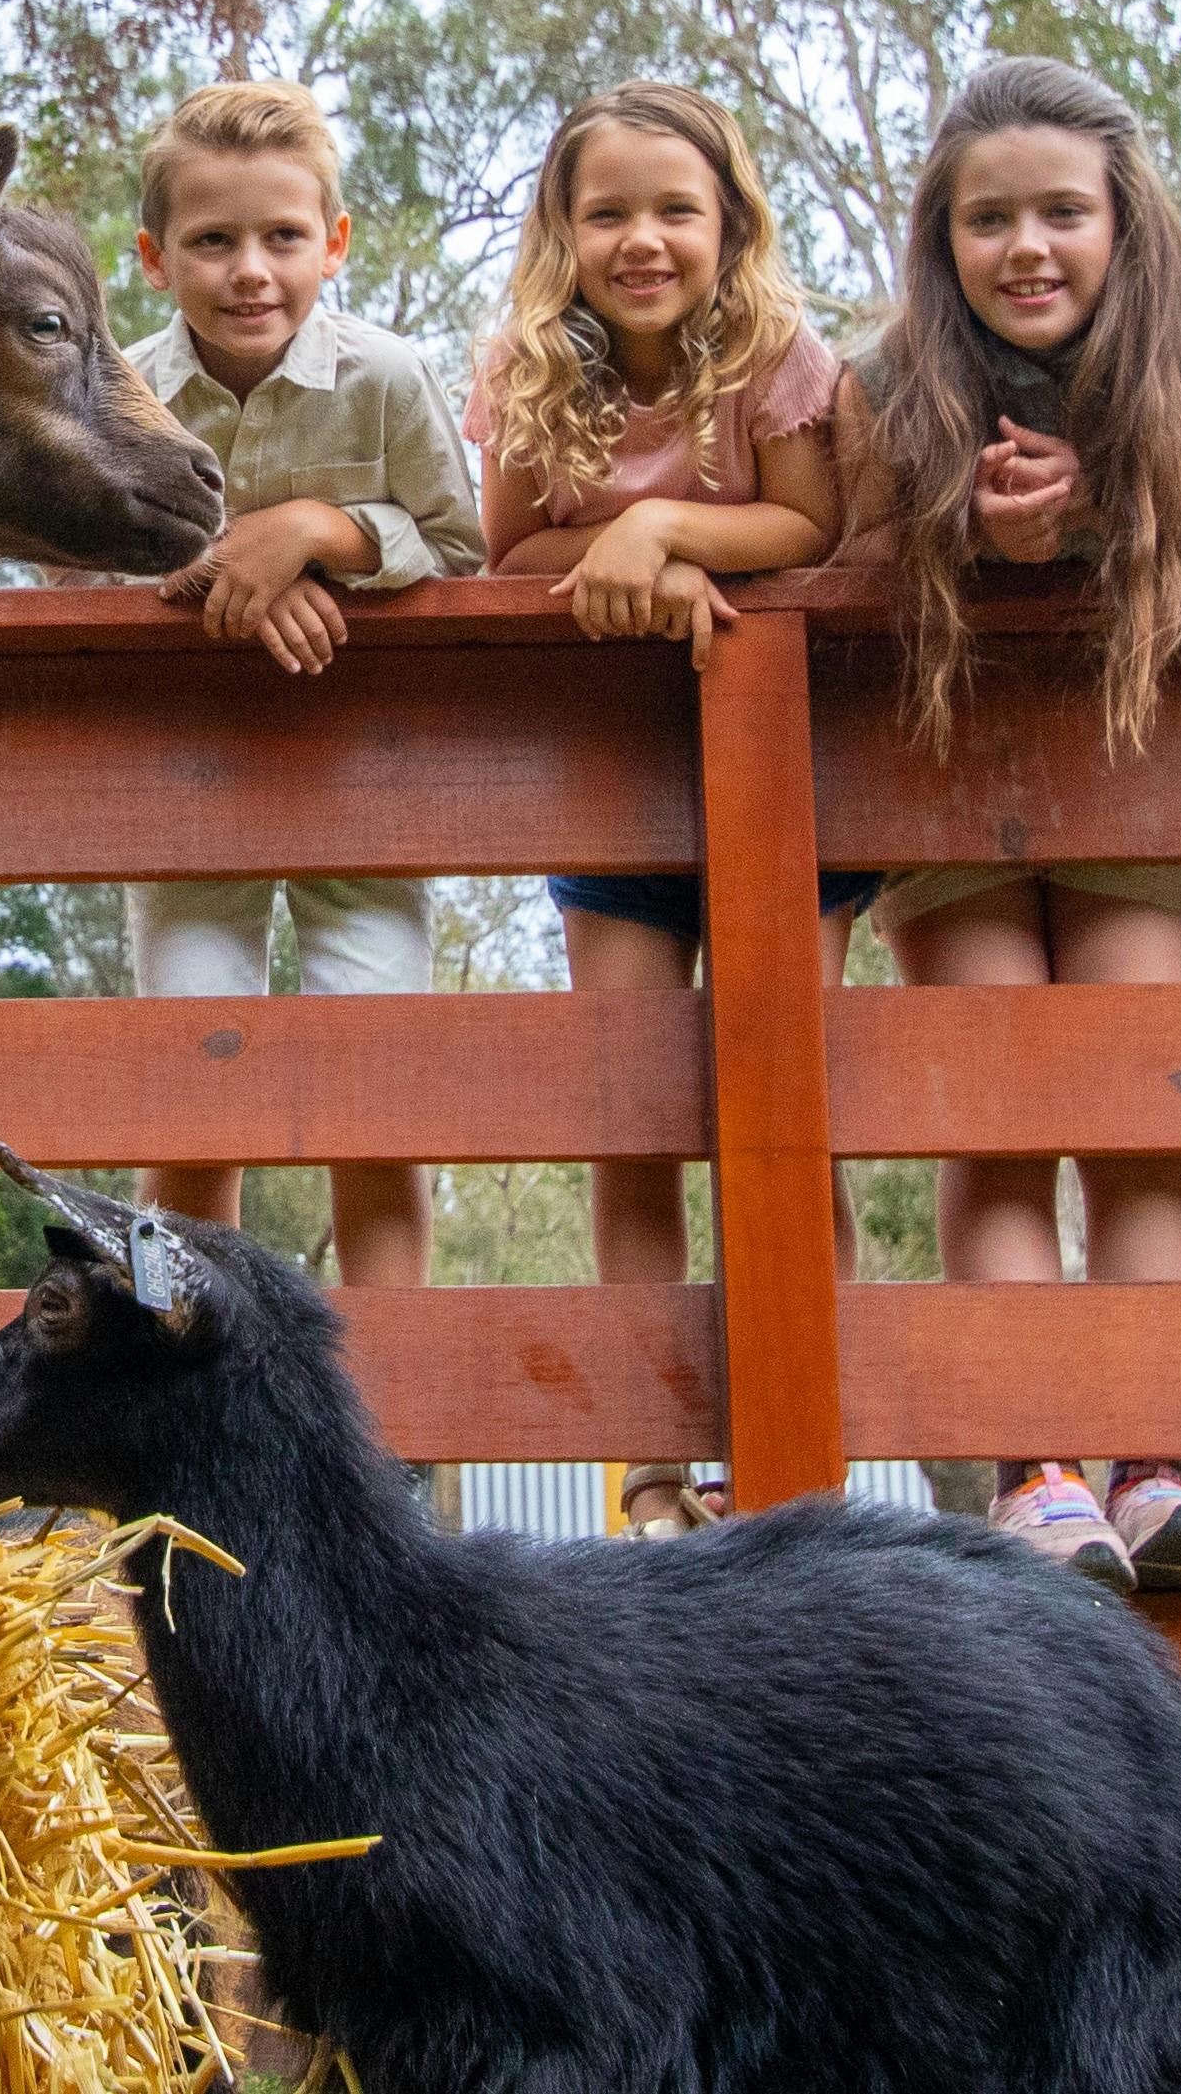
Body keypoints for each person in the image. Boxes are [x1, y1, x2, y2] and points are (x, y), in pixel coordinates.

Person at [832, 56, 1181, 1594]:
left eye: (1059, 213)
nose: (1025, 247)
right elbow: (851, 548)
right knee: (999, 1115)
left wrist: (1099, 511)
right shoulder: (890, 378)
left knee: (1134, 1109)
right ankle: (1031, 1467)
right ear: (939, 236)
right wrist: (968, 527)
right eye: (986, 219)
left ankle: (1154, 1464)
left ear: (1121, 221)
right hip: (952, 769)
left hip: (1129, 764)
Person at [466, 79, 860, 1535]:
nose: (641, 238)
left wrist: (660, 526)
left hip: (782, 798)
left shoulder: (778, 357)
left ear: (729, 223)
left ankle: (793, 1457)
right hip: (613, 793)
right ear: (561, 232)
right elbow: (504, 557)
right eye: (606, 210)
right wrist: (622, 570)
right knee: (632, 1118)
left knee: (779, 1116)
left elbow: (812, 525)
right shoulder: (525, 369)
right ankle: (644, 1471)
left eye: (673, 209)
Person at [123, 80, 485, 1288]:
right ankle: (174, 1418)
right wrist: (223, 562)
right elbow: (74, 551)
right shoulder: (118, 393)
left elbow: (466, 541)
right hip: (189, 779)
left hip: (363, 776)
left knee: (372, 1092)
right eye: (211, 241)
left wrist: (323, 527)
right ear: (155, 259)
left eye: (281, 236)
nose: (248, 270)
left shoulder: (386, 378)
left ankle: (388, 1435)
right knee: (191, 1084)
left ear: (332, 243)